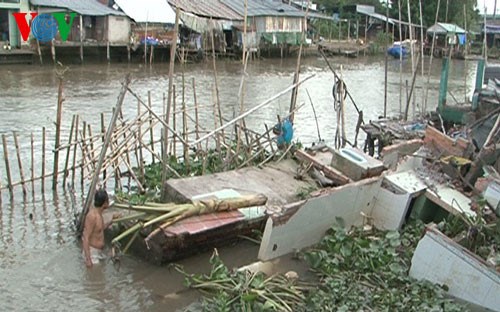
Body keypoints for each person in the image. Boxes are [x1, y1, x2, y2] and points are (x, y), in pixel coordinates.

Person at [82, 189, 118, 268]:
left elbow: (100, 229)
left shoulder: (99, 214)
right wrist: (88, 259)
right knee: (96, 277)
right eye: (108, 200)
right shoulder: (92, 216)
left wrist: (111, 221)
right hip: (92, 253)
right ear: (105, 203)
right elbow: (86, 237)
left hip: (99, 252)